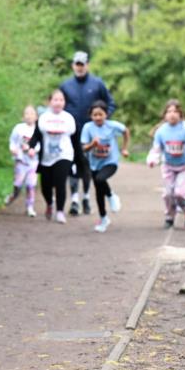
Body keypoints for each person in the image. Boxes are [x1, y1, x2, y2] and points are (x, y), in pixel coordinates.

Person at [59, 51, 116, 216]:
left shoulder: (97, 84)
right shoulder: (66, 85)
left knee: (88, 166)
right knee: (72, 163)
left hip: (91, 133)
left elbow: (110, 103)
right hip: (72, 132)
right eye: (77, 64)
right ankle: (75, 199)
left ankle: (85, 197)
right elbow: (58, 105)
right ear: (73, 65)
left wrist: (102, 120)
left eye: (82, 64)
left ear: (87, 65)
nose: (80, 67)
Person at [146, 99, 185, 229]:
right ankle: (169, 217)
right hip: (168, 166)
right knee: (168, 194)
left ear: (181, 114)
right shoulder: (161, 131)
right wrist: (152, 159)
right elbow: (156, 148)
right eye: (169, 112)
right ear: (164, 115)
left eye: (175, 111)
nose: (172, 114)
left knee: (179, 193)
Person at [80, 100, 130, 233]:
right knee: (98, 191)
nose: (97, 118)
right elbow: (83, 148)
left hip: (110, 162)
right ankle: (103, 218)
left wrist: (124, 148)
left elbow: (126, 131)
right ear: (91, 116)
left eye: (100, 114)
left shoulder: (112, 126)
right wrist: (92, 144)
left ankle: (111, 195)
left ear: (106, 115)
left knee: (100, 180)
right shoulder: (87, 128)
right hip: (94, 164)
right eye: (95, 115)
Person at [26, 89, 75, 223]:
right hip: (46, 157)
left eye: (61, 100)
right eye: (55, 99)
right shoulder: (43, 118)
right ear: (50, 102)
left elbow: (75, 139)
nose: (58, 102)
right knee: (45, 186)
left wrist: (78, 159)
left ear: (64, 102)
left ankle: (60, 211)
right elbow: (35, 136)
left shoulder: (68, 118)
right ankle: (49, 204)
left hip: (64, 155)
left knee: (60, 184)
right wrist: (31, 147)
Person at [4, 105, 40, 218]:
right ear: (23, 116)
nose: (29, 116)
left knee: (31, 185)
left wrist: (34, 150)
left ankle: (30, 207)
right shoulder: (18, 128)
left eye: (32, 114)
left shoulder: (38, 130)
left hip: (33, 162)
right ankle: (13, 195)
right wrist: (12, 149)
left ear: (36, 116)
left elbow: (41, 143)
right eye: (27, 114)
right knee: (18, 185)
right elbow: (12, 141)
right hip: (20, 161)